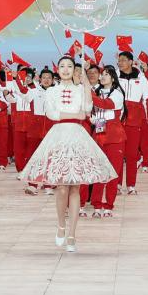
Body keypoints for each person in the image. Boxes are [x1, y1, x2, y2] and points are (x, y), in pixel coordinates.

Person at [20, 57, 116, 252]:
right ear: (58, 69)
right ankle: (61, 225)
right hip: (59, 136)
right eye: (62, 66)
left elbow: (87, 110)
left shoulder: (81, 89)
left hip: (78, 137)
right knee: (62, 187)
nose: (65, 69)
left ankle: (72, 235)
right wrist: (74, 115)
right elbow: (52, 114)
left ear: (75, 70)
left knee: (75, 188)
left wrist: (86, 85)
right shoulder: (52, 91)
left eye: (70, 66)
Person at [89, 65, 126, 217]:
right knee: (99, 172)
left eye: (106, 74)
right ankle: (97, 205)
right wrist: (92, 119)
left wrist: (88, 92)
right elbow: (95, 113)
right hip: (99, 134)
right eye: (102, 74)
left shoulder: (117, 93)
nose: (103, 76)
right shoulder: (97, 92)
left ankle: (109, 205)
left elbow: (106, 105)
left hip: (115, 137)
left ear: (113, 78)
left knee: (112, 172)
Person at [116, 52, 148, 194]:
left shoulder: (141, 78)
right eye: (119, 60)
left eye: (123, 60)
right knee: (117, 155)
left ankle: (131, 185)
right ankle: (117, 185)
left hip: (134, 121)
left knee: (132, 155)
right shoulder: (114, 76)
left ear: (131, 62)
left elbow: (147, 99)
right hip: (117, 120)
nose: (120, 63)